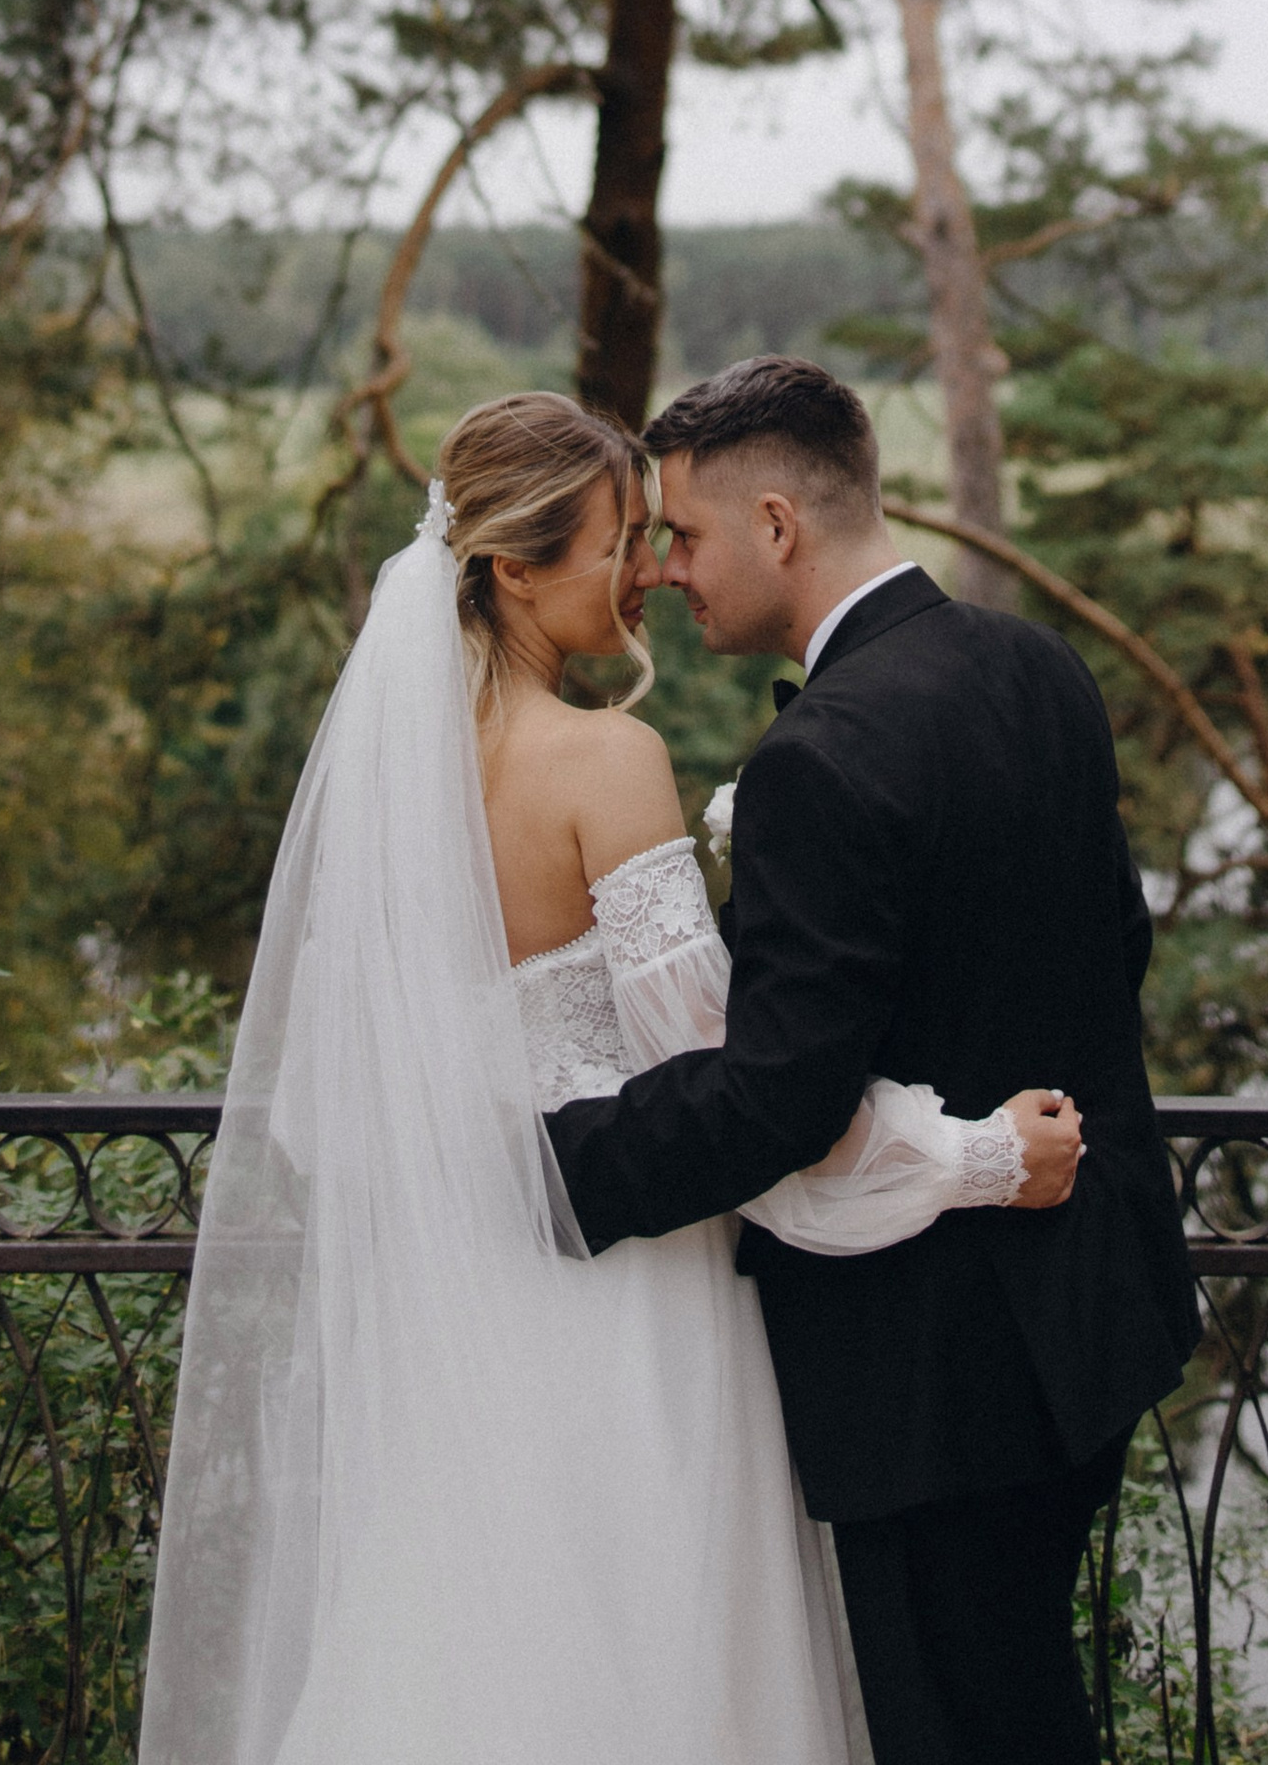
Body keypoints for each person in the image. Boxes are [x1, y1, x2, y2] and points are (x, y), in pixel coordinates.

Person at [139, 389, 1082, 1765]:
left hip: (458, 1318)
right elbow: (745, 1094)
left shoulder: (383, 792)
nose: (646, 569)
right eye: (617, 543)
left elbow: (322, 1106)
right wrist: (975, 1155)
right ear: (513, 569)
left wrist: (481, 1162)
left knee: (459, 1654)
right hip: (630, 1301)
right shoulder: (605, 760)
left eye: (654, 535)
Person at [546, 353, 1199, 1765]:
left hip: (930, 1369)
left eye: (687, 535)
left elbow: (781, 1094)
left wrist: (557, 1166)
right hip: (1088, 1313)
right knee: (1026, 1706)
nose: (666, 574)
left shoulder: (823, 757)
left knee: (957, 1727)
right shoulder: (1035, 664)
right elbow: (1116, 949)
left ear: (779, 525)